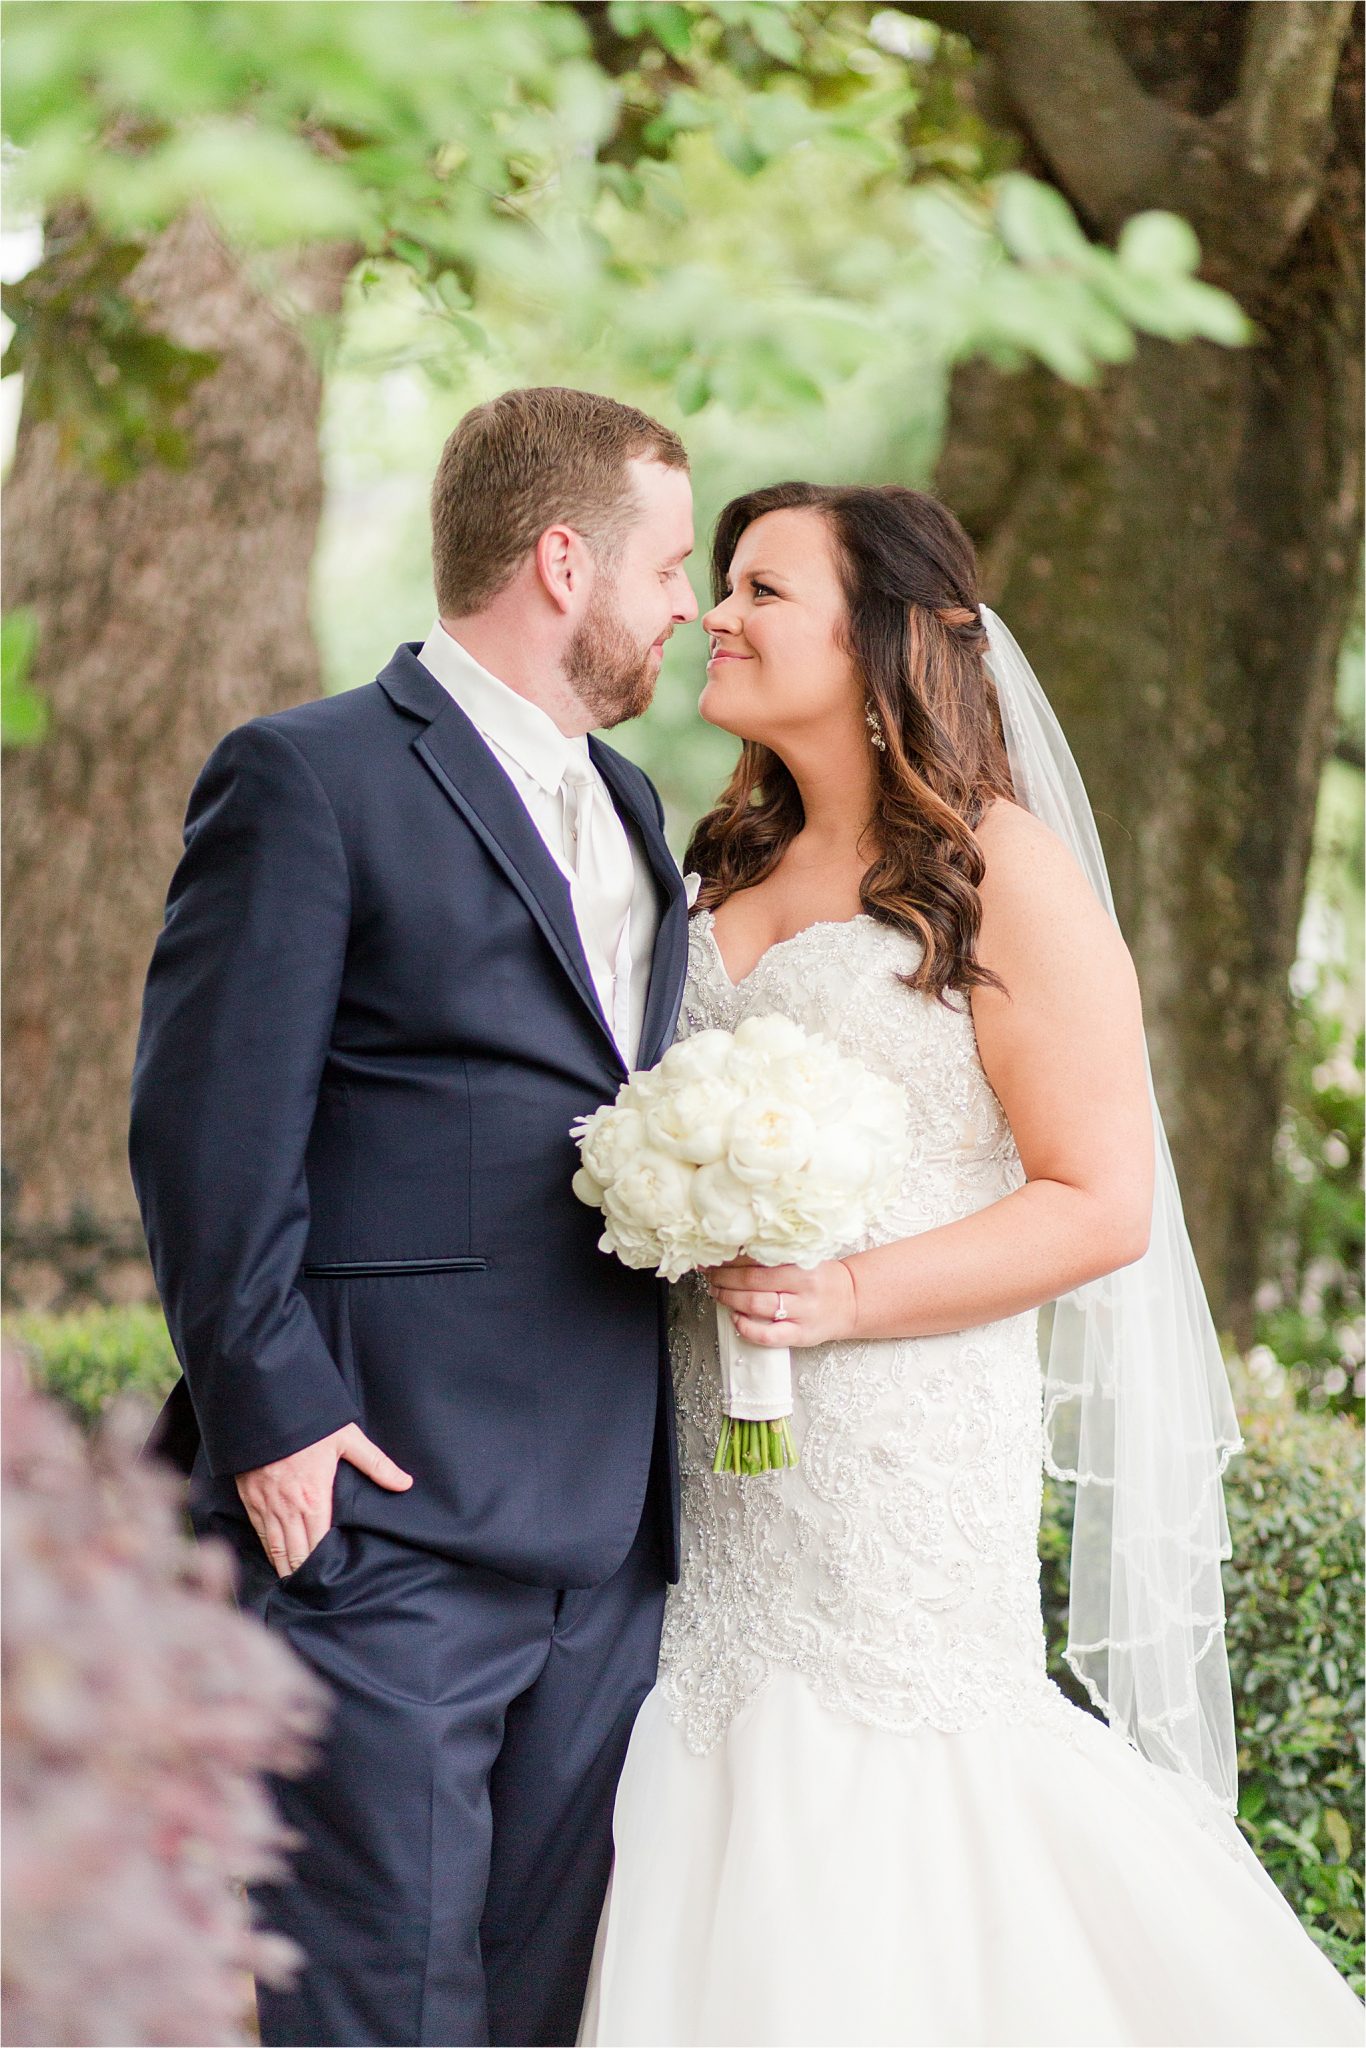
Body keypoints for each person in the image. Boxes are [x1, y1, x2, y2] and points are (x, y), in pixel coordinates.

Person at [578, 481, 1364, 2047]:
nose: (715, 616)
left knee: (901, 1820)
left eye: (759, 589)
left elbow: (1097, 1202)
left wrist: (845, 1294)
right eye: (717, 584)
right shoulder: (710, 866)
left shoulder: (999, 871)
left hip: (894, 1461)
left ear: (880, 644)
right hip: (707, 1501)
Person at [128, 386, 698, 2048]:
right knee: (378, 2002)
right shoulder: (305, 778)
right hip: (383, 1515)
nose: (685, 603)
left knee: (541, 2003)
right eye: (667, 566)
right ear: (562, 558)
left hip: (609, 1533)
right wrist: (275, 1418)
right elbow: (206, 1124)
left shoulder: (642, 811)